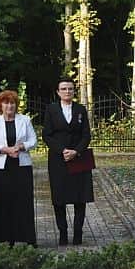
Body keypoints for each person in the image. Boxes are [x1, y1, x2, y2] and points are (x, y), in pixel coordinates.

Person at [43, 79, 94, 246]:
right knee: (59, 198)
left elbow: (86, 135)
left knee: (80, 197)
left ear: (74, 91)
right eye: (64, 89)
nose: (67, 92)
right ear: (58, 92)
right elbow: (47, 135)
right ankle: (63, 232)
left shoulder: (80, 109)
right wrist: (63, 150)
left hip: (79, 158)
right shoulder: (51, 110)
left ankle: (78, 233)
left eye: (70, 89)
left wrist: (76, 151)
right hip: (58, 159)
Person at [0, 90, 39, 246]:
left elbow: (33, 141)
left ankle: (27, 238)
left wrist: (21, 147)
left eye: (12, 103)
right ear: (0, 105)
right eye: (6, 103)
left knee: (23, 202)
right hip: (0, 168)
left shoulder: (25, 120)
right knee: (1, 202)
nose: (9, 106)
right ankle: (2, 240)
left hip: (21, 167)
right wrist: (6, 150)